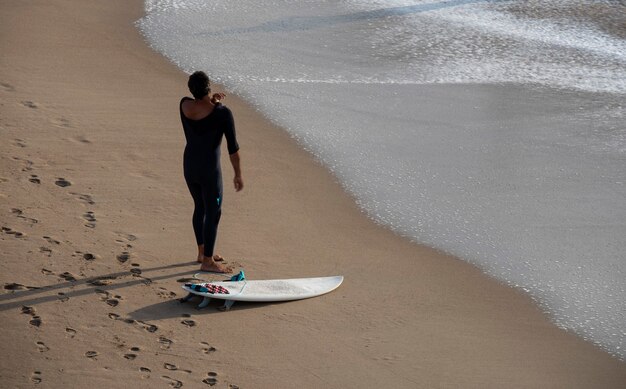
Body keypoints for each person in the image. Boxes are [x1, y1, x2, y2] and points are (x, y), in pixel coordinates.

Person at [180, 71, 243, 273]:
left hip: (190, 166)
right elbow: (233, 148)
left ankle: (202, 252)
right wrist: (238, 174)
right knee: (213, 211)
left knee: (200, 206)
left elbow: (201, 112)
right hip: (209, 171)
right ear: (209, 87)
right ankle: (208, 261)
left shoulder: (184, 105)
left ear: (192, 90)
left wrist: (212, 102)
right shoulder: (223, 113)